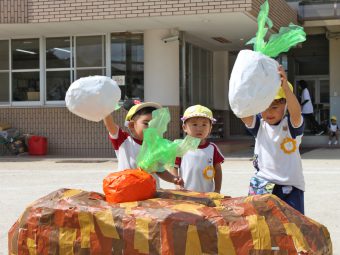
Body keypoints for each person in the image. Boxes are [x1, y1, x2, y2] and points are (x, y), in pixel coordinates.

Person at [240, 66, 305, 214]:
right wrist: (249, 84)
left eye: (274, 107)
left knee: (293, 228)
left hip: (291, 186)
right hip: (262, 184)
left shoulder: (290, 125)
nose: (268, 112)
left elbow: (296, 113)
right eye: (265, 107)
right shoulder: (259, 125)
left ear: (285, 106)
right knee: (262, 227)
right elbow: (241, 110)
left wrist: (286, 89)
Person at [103, 99, 184, 188]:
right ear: (131, 125)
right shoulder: (124, 141)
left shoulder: (156, 147)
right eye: (146, 123)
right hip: (127, 192)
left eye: (154, 124)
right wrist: (105, 110)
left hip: (151, 193)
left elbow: (160, 170)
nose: (151, 128)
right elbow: (110, 126)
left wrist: (173, 179)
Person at [171, 105, 224, 193]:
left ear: (210, 128)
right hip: (186, 192)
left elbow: (218, 170)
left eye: (204, 124)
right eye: (194, 124)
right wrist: (176, 183)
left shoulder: (212, 148)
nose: (199, 128)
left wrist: (217, 190)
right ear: (184, 128)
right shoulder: (181, 146)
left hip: (208, 193)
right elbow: (174, 167)